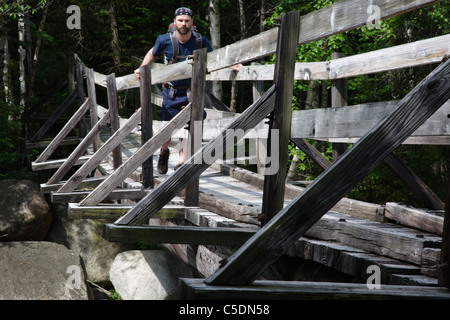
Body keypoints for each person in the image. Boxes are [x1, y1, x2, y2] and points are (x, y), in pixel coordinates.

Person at [135, 7, 240, 174]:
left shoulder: (199, 40)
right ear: (175, 21)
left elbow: (215, 58)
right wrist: (142, 68)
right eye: (180, 20)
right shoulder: (164, 40)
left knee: (193, 123)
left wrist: (231, 65)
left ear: (192, 22)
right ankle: (164, 151)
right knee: (167, 127)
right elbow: (152, 53)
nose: (183, 24)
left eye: (187, 21)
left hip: (193, 90)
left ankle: (182, 161)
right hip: (171, 91)